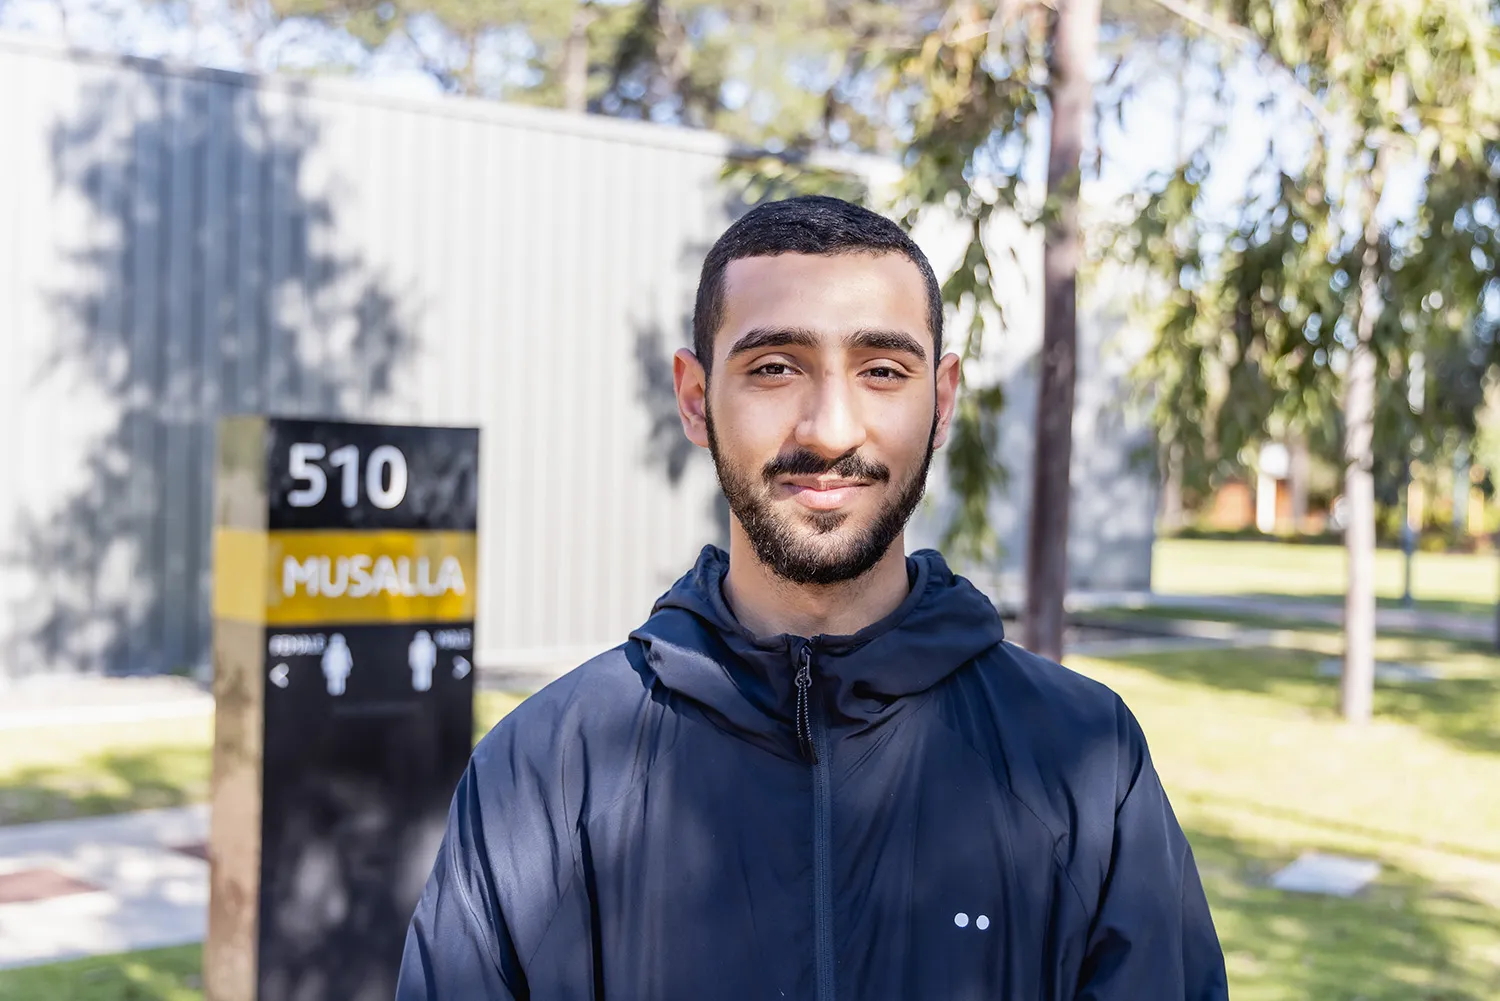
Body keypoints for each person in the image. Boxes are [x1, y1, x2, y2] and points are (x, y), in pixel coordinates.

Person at [395, 195, 1228, 1000]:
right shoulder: (541, 770)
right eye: (774, 367)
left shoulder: (1085, 757)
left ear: (940, 402)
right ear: (695, 398)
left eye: (882, 370)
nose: (830, 428)